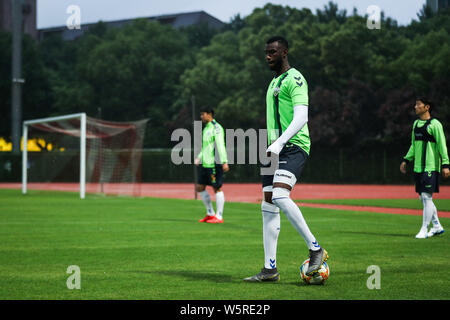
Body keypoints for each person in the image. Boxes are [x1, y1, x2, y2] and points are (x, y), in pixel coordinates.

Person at [244, 36, 328, 282]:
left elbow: (302, 116)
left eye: (272, 52)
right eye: (266, 52)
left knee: (280, 195)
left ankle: (316, 249)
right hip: (274, 149)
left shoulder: (295, 78)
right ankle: (270, 270)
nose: (267, 56)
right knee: (268, 205)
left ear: (284, 52)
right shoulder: (273, 83)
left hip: (293, 147)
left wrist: (280, 143)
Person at [400, 97, 449, 238]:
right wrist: (406, 160)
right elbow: (414, 145)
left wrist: (445, 164)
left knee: (427, 197)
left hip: (431, 167)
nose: (415, 107)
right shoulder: (416, 124)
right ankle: (437, 226)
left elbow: (442, 145)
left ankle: (424, 230)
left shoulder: (435, 124)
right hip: (418, 168)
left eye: (418, 105)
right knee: (423, 198)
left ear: (426, 107)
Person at [194, 107, 229, 224]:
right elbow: (206, 147)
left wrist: (224, 161)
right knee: (200, 187)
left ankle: (219, 216)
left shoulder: (216, 127)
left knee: (216, 188)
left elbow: (220, 145)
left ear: (209, 114)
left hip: (214, 163)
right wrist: (199, 157)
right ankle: (210, 213)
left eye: (202, 114)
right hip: (205, 163)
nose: (201, 117)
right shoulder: (207, 128)